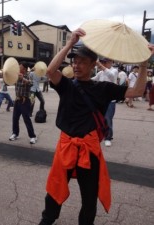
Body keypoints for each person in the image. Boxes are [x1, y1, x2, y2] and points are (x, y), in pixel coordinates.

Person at [38, 28, 154, 225]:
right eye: (75, 61)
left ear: (94, 65)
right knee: (55, 188)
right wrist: (69, 44)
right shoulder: (66, 85)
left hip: (89, 149)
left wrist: (143, 63)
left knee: (89, 196)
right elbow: (50, 71)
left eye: (82, 61)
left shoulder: (103, 88)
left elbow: (138, 90)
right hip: (66, 145)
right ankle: (48, 219)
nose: (77, 65)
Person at [92, 58, 118, 147]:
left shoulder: (114, 71)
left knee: (108, 119)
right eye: (102, 62)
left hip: (110, 100)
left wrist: (100, 66)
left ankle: (108, 137)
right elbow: (93, 80)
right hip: (100, 99)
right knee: (97, 118)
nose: (103, 63)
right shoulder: (100, 73)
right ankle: (98, 135)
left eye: (105, 62)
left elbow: (111, 76)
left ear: (111, 62)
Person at [9, 61, 37, 144]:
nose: (18, 68)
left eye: (20, 66)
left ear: (24, 68)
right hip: (17, 100)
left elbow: (32, 83)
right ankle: (15, 133)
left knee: (26, 119)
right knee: (15, 118)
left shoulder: (29, 75)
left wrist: (23, 79)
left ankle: (32, 136)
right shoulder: (16, 75)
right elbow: (9, 81)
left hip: (25, 100)